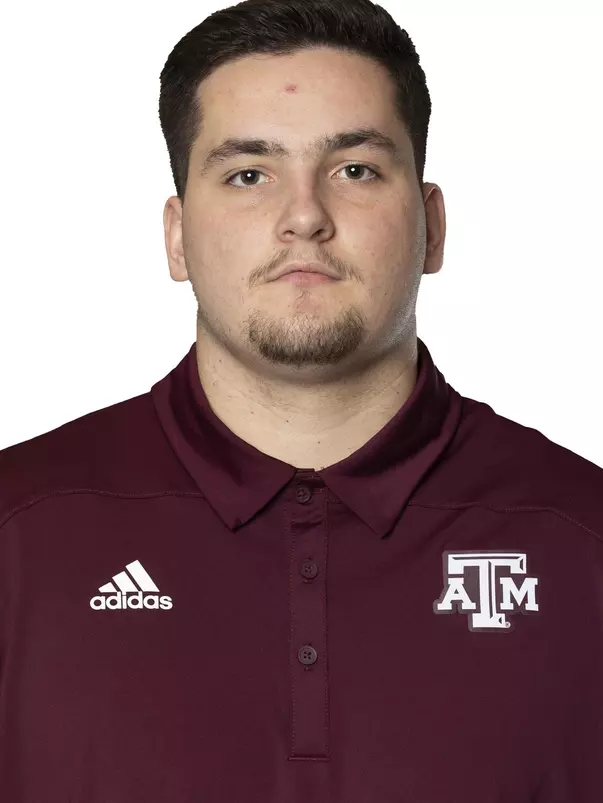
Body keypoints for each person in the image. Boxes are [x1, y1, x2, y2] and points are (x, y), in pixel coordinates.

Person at [1, 0, 602, 800]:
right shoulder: (18, 533)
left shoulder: (583, 540)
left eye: (354, 169)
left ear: (431, 226)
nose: (304, 217)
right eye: (249, 174)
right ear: (176, 236)